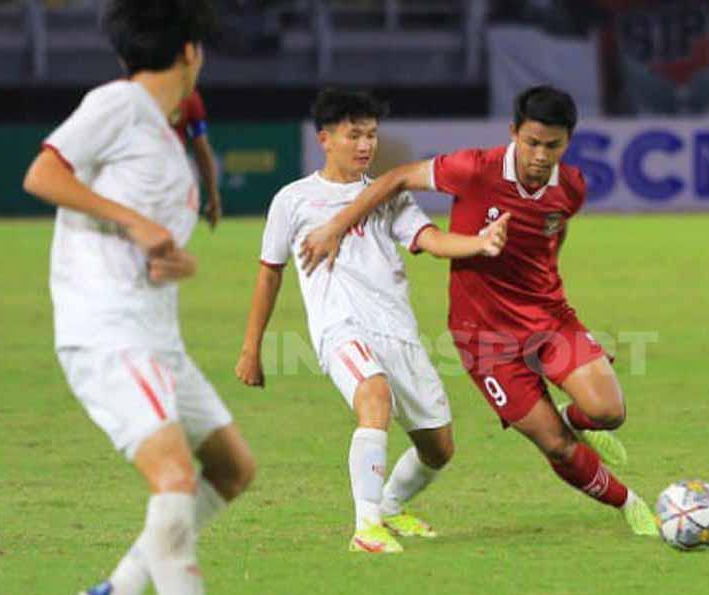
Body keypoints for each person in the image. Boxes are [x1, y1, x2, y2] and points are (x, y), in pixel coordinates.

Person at [298, 86, 659, 537]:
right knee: (559, 447)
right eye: (531, 142)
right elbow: (395, 179)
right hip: (484, 338)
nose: (540, 156)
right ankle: (632, 505)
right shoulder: (473, 168)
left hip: (548, 319)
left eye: (553, 145)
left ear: (568, 142)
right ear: (513, 133)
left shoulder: (571, 188)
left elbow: (551, 238)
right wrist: (335, 226)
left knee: (608, 411)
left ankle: (571, 416)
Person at [21, 1, 255, 595]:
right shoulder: (119, 104)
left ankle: (118, 593)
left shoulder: (161, 136)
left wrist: (168, 255)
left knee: (232, 469)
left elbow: (150, 241)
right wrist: (134, 225)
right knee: (174, 477)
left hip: (157, 336)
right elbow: (44, 173)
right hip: (109, 332)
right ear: (190, 53)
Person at [234, 89, 508, 553]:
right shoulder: (293, 200)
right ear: (325, 138)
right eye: (354, 135)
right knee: (374, 396)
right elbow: (269, 274)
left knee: (438, 448)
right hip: (340, 328)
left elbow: (431, 240)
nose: (365, 145)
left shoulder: (386, 196)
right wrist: (250, 348)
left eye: (372, 135)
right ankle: (366, 528)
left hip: (397, 330)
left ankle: (391, 505)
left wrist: (479, 243)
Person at [171, 88, 224, 228]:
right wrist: (213, 197)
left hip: (171, 183)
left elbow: (201, 149)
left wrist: (213, 196)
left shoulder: (188, 96)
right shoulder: (127, 94)